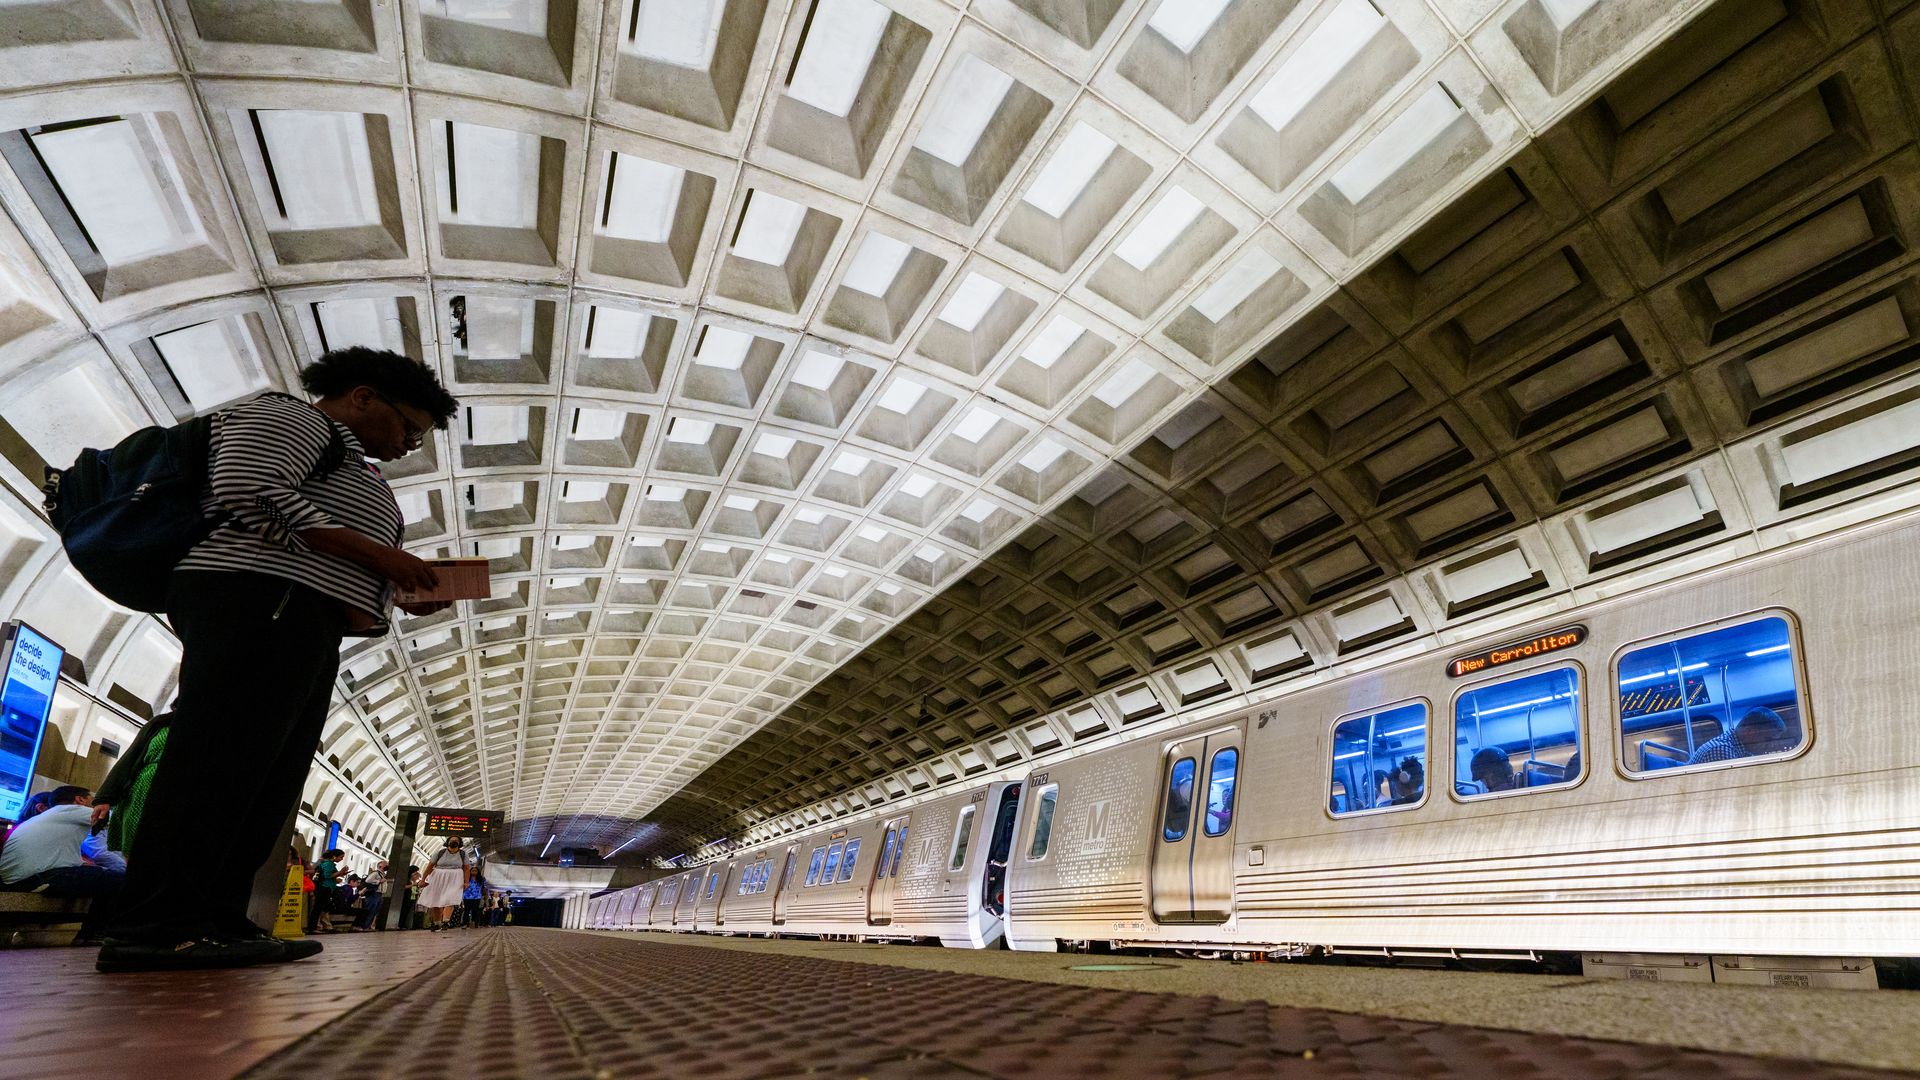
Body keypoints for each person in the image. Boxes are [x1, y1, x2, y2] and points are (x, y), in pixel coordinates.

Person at [96, 348, 458, 974]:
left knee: (265, 774)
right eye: (409, 427)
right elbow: (248, 486)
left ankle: (213, 917)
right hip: (253, 596)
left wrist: (395, 587)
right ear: (363, 397)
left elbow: (318, 540)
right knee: (219, 760)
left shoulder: (351, 461)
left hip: (300, 613)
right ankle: (155, 925)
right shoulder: (291, 418)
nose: (410, 444)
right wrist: (379, 558)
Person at [0, 786, 123, 939]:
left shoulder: (49, 817)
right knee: (121, 880)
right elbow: (120, 820)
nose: (95, 803)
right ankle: (95, 934)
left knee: (103, 875)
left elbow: (61, 857)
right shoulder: (71, 810)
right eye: (93, 799)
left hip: (21, 879)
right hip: (35, 878)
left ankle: (93, 933)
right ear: (80, 799)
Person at [90, 710, 173, 857]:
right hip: (143, 791)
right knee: (136, 848)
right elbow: (130, 757)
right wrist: (105, 798)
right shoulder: (161, 723)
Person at [1687, 707, 1794, 765]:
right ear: (1749, 732)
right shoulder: (1720, 750)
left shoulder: (1743, 751)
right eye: (1768, 740)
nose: (1772, 746)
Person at [419, 837, 468, 930]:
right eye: (452, 840)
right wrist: (423, 879)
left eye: (456, 841)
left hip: (455, 877)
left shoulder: (463, 854)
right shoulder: (439, 853)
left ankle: (446, 921)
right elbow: (429, 867)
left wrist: (466, 882)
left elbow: (466, 868)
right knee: (435, 900)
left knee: (450, 898)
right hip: (438, 876)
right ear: (448, 842)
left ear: (460, 843)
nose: (454, 842)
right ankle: (437, 923)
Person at [307, 848, 345, 934]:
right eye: (341, 857)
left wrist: (341, 873)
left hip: (326, 888)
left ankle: (316, 926)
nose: (341, 859)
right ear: (334, 856)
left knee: (321, 908)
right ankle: (312, 927)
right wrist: (340, 872)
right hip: (324, 888)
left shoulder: (330, 864)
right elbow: (327, 876)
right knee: (318, 908)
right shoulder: (328, 864)